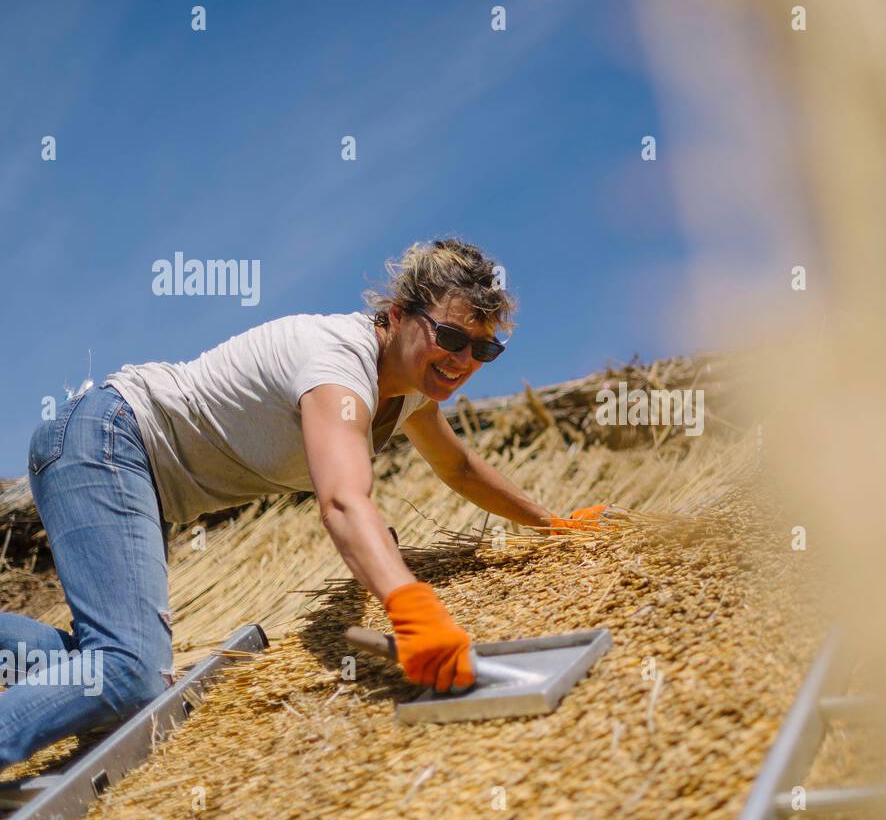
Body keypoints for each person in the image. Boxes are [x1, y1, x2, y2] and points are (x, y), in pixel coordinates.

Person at [0, 238, 604, 768]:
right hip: (107, 439)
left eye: (484, 350)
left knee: (110, 666)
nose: (463, 361)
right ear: (397, 316)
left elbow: (460, 467)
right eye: (449, 337)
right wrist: (410, 607)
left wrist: (551, 525)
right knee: (130, 675)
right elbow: (342, 501)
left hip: (134, 477)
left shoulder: (412, 394)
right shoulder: (336, 363)